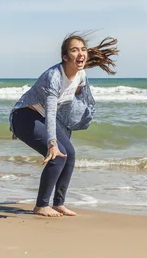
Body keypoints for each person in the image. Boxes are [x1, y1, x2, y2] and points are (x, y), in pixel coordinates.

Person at [9, 32, 118, 217]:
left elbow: (72, 101)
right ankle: (41, 205)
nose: (81, 53)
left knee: (70, 154)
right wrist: (52, 142)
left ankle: (58, 203)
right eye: (74, 50)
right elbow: (51, 111)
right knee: (58, 155)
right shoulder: (54, 77)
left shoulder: (81, 75)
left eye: (83, 49)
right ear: (65, 57)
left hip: (43, 117)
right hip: (25, 117)